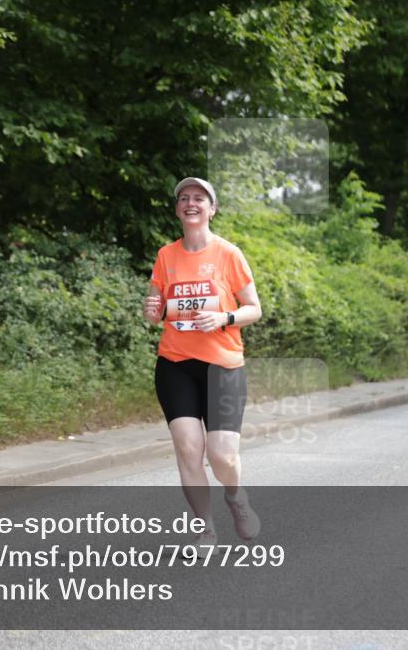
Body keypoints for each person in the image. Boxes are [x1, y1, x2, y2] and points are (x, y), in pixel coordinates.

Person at [143, 177, 263, 552]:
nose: (190, 203)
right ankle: (204, 529)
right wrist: (151, 311)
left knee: (222, 454)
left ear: (212, 209)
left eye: (199, 198)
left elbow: (254, 309)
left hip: (222, 366)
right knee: (188, 448)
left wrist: (225, 318)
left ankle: (236, 497)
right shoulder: (166, 255)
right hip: (175, 363)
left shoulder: (229, 254)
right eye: (184, 198)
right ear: (178, 209)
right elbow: (156, 310)